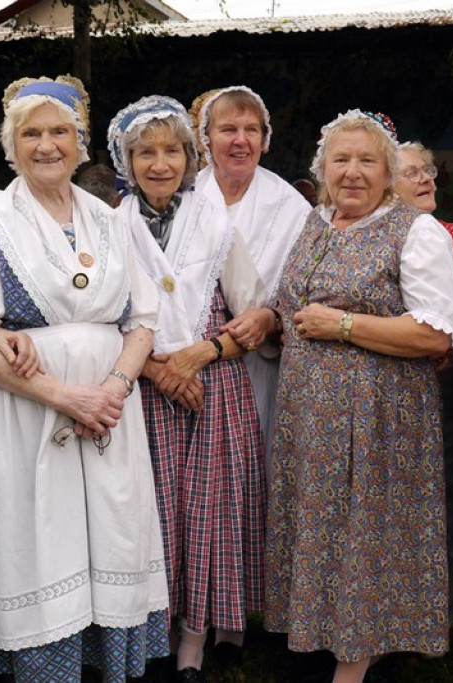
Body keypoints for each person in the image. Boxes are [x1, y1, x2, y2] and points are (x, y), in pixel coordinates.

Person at [0, 75, 169, 682]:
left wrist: (114, 390)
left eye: (59, 132)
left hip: (109, 415)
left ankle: (104, 665)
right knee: (42, 541)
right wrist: (65, 395)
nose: (47, 146)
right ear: (10, 145)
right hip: (29, 416)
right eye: (31, 134)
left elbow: (143, 321)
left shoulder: (111, 220)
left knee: (110, 534)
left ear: (82, 142)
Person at [264, 109, 453, 683]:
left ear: (389, 172)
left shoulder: (413, 230)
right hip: (310, 413)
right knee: (322, 528)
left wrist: (345, 325)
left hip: (379, 417)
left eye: (367, 161)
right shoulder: (317, 221)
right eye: (340, 160)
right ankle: (321, 638)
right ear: (322, 169)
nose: (352, 172)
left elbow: (436, 332)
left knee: (366, 534)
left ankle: (354, 662)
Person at [108, 95, 266, 681]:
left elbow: (252, 314)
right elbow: (105, 317)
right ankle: (155, 627)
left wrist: (198, 355)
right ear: (125, 160)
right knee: (152, 515)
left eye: (172, 149)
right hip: (144, 388)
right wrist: (156, 369)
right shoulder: (109, 226)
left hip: (212, 386)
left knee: (209, 513)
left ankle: (197, 636)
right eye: (145, 151)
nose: (159, 162)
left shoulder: (216, 221)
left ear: (190, 157)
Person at [190, 86, 311, 452]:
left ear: (265, 138)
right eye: (228, 129)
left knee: (258, 466)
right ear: (206, 139)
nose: (241, 141)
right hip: (192, 365)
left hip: (262, 363)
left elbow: (308, 290)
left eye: (252, 130)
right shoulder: (186, 197)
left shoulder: (290, 206)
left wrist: (271, 317)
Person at [395, 140, 453, 627]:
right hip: (393, 382)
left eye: (427, 169)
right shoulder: (373, 239)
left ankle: (434, 619)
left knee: (441, 504)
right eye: (410, 173)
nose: (425, 178)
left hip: (446, 385)